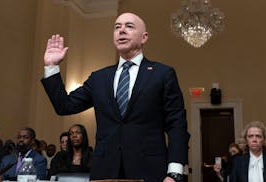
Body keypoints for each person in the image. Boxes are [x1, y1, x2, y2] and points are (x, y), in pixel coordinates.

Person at [41, 12, 189, 182]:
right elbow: (65, 106)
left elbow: (176, 124)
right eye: (117, 27)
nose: (122, 30)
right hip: (105, 171)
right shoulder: (99, 78)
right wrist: (51, 67)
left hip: (150, 171)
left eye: (129, 26)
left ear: (144, 37)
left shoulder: (162, 74)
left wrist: (174, 172)